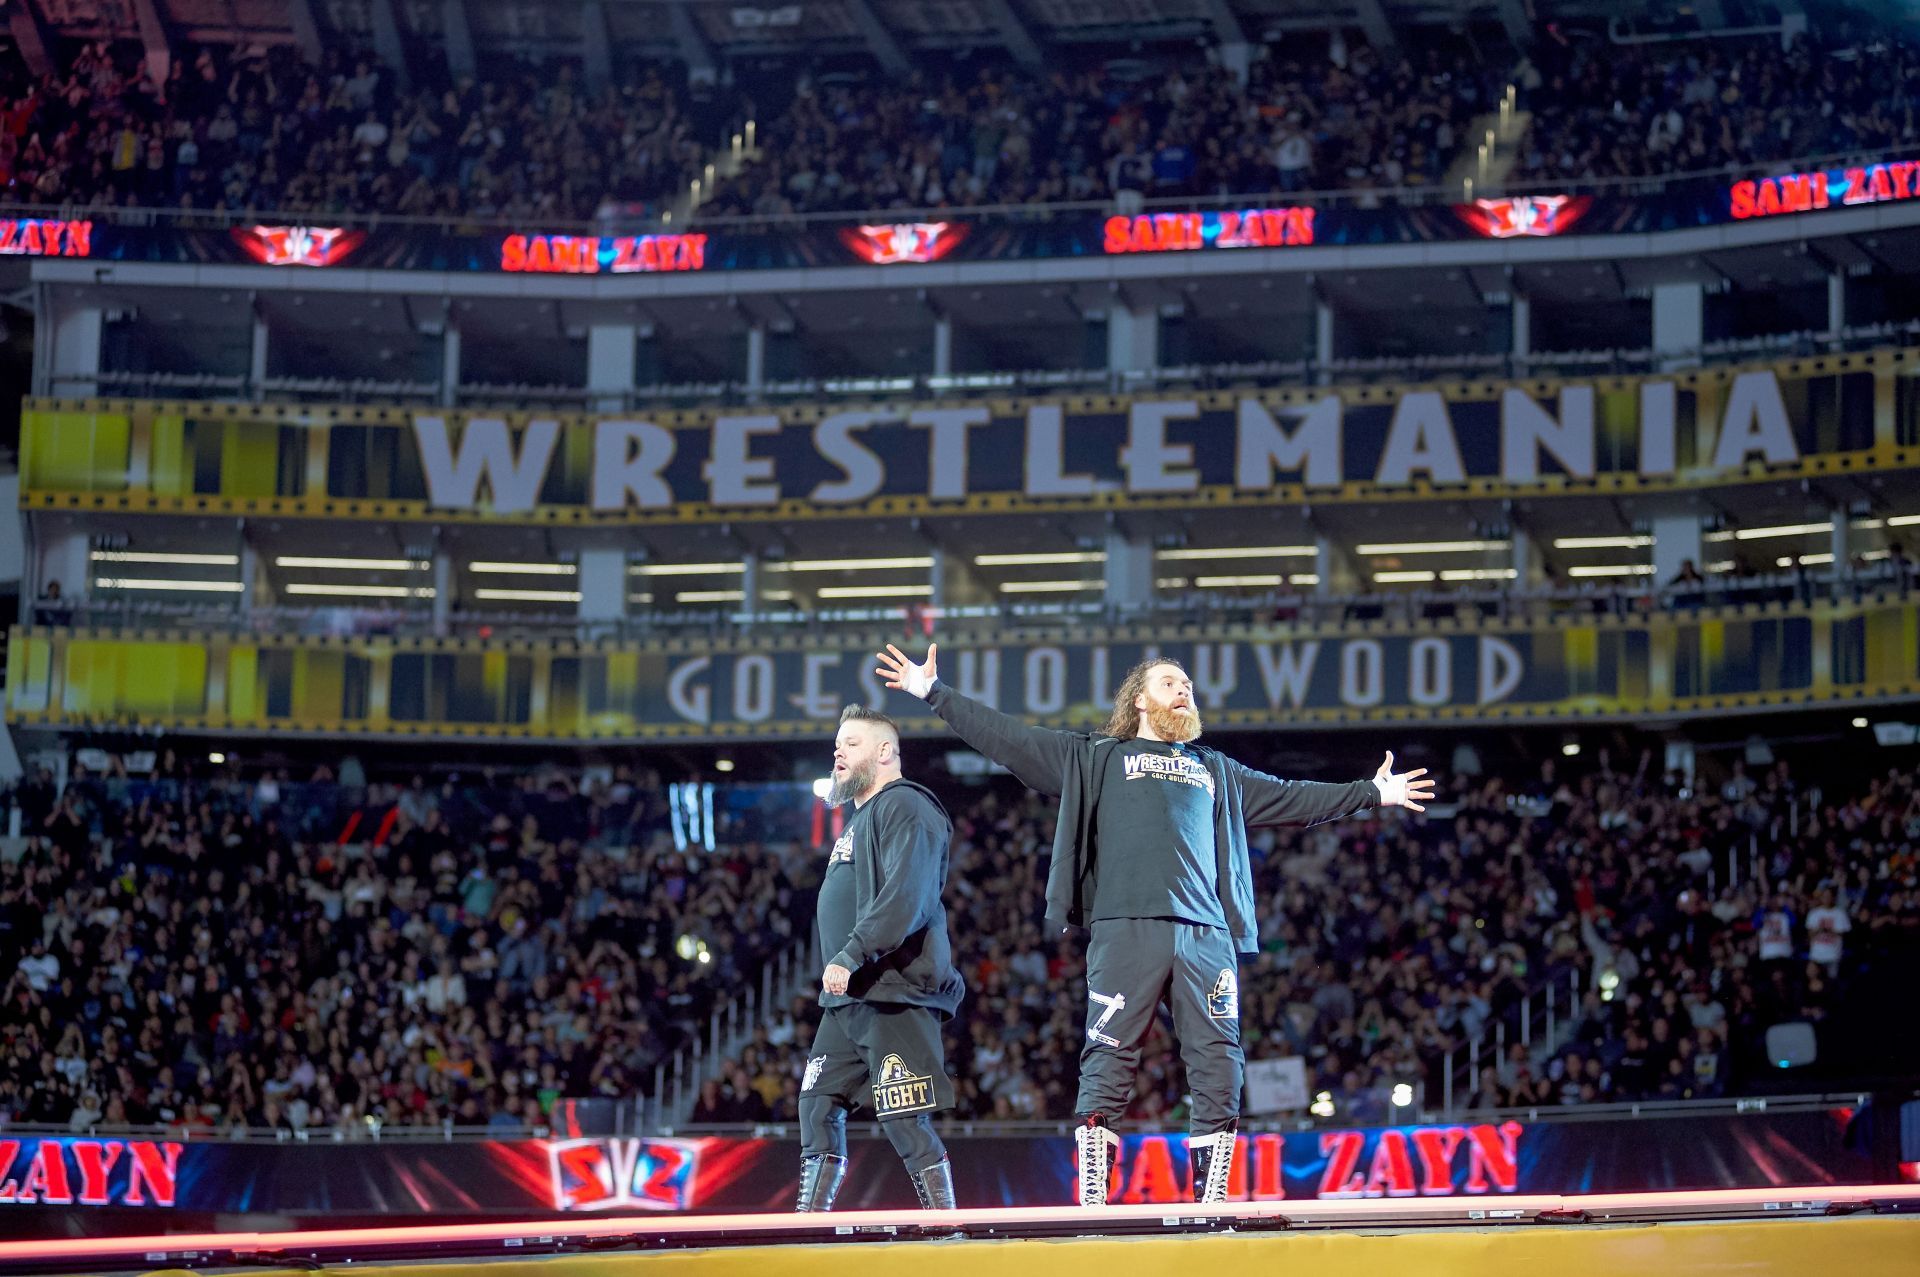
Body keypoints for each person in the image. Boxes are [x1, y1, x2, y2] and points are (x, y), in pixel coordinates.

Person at [875, 645, 1433, 1206]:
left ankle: (1211, 1204)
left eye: (1188, 683)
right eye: (1171, 682)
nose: (1184, 689)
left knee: (1220, 1060)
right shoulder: (1096, 756)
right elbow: (1010, 738)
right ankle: (1094, 1200)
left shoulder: (1216, 769)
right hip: (1126, 928)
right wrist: (935, 693)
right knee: (1109, 1052)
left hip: (1206, 934)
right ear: (1139, 700)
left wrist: (1372, 793)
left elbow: (1293, 797)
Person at [795, 705, 966, 1213]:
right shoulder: (860, 816)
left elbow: (906, 896)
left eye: (851, 743)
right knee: (817, 1103)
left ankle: (946, 1231)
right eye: (836, 744)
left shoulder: (906, 806)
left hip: (892, 987)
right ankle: (808, 1229)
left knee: (903, 1117)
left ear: (885, 752)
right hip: (850, 996)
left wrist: (851, 953)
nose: (837, 751)